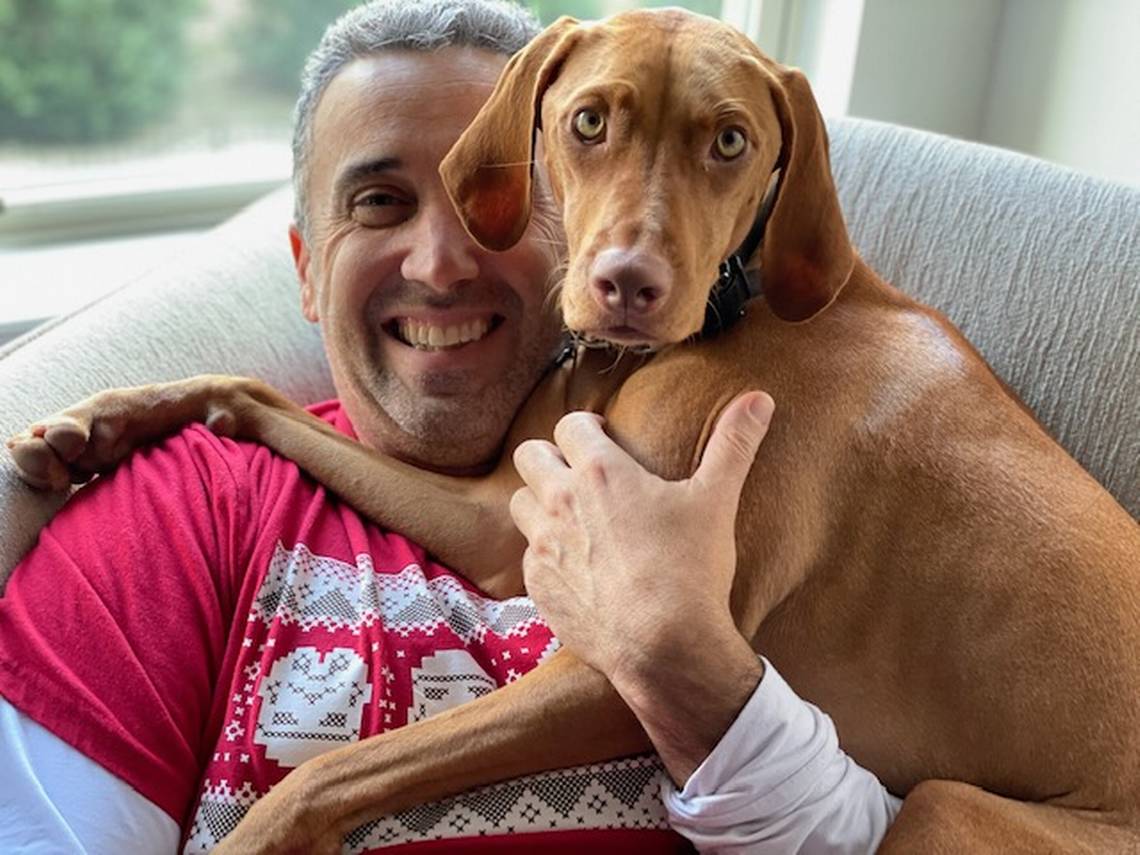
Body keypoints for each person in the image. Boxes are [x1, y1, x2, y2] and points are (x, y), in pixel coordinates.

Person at [0, 1, 899, 852]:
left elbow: (889, 824)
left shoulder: (734, 466)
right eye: (379, 203)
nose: (441, 264)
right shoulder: (185, 505)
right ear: (306, 271)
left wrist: (702, 676)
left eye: (497, 198)